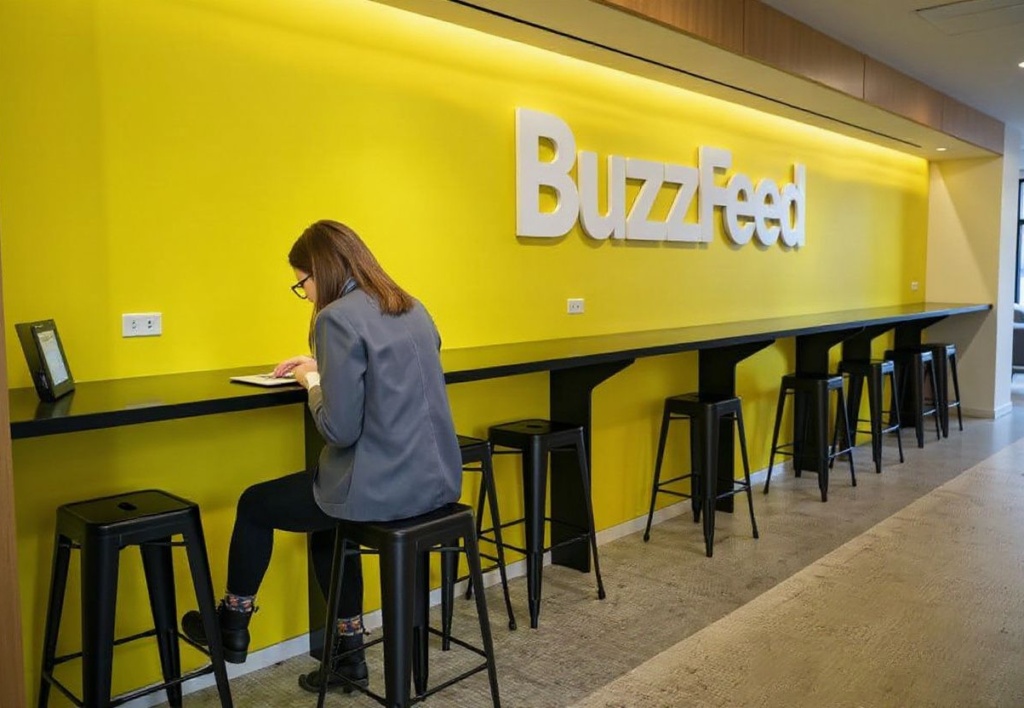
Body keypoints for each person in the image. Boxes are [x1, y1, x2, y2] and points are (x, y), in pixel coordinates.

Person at [181, 219, 463, 694]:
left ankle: (232, 620)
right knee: (325, 517)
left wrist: (310, 382)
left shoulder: (336, 318)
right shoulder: (412, 306)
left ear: (321, 271)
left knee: (255, 504)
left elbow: (339, 428)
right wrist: (325, 367)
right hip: (435, 481)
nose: (306, 293)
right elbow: (391, 376)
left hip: (382, 487)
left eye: (302, 282)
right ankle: (349, 655)